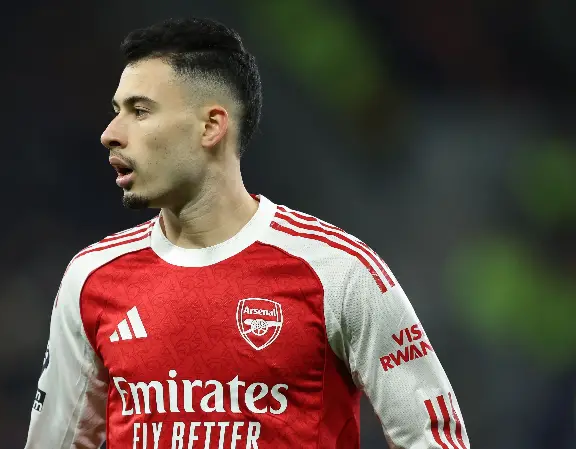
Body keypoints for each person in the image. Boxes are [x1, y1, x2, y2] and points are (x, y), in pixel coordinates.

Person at [24, 17, 469, 449]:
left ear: (211, 126)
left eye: (139, 111)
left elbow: (431, 437)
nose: (110, 134)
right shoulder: (92, 278)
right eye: (116, 112)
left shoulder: (338, 271)